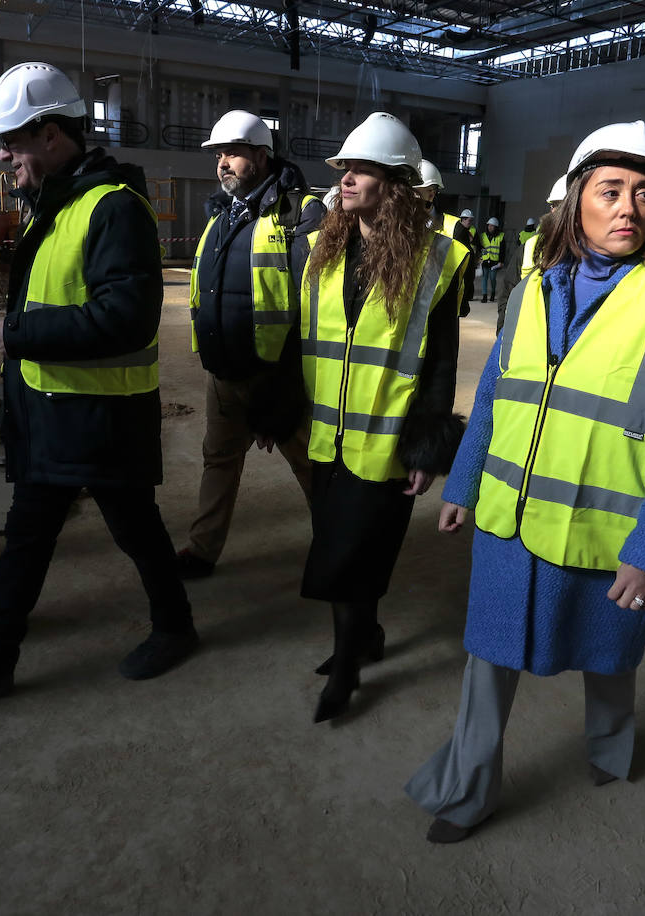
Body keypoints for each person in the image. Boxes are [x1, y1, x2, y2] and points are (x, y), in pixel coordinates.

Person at [405, 120, 645, 843]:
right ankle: (467, 791)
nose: (629, 208)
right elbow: (494, 398)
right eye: (611, 190)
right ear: (576, 199)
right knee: (487, 658)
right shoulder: (529, 292)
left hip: (606, 532)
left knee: (609, 658)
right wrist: (462, 484)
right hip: (509, 518)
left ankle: (609, 755)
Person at [0, 61, 194, 698]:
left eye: (11, 141)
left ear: (52, 135)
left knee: (135, 530)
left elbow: (128, 317)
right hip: (52, 412)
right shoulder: (51, 206)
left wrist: (19, 336)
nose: (4, 155)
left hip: (103, 418)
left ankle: (175, 627)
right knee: (30, 537)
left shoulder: (114, 207)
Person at [299, 111, 467, 723]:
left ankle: (346, 667)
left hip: (389, 440)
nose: (345, 177)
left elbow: (442, 359)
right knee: (342, 551)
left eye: (361, 168)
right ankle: (363, 640)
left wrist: (428, 447)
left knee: (352, 561)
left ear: (394, 184)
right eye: (344, 167)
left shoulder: (437, 261)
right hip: (329, 436)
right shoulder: (325, 246)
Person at [174, 109, 323, 580]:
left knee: (312, 470)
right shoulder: (220, 214)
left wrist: (285, 388)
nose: (223, 163)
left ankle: (337, 548)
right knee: (218, 461)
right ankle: (201, 549)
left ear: (261, 156)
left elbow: (314, 306)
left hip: (276, 375)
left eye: (233, 152)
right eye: (219, 154)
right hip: (224, 374)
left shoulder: (300, 212)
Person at [414, 159, 474, 316]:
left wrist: (463, 303)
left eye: (413, 192)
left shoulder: (454, 229)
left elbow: (466, 272)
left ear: (431, 194)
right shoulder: (395, 227)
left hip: (440, 315)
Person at [478, 217, 504, 302]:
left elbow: (502, 250)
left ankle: (493, 293)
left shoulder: (501, 236)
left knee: (492, 278)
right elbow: (481, 248)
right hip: (485, 261)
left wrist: (501, 261)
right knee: (484, 278)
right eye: (489, 225)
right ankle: (484, 296)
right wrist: (481, 258)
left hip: (495, 262)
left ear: (496, 227)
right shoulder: (483, 236)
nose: (490, 227)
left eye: (492, 226)